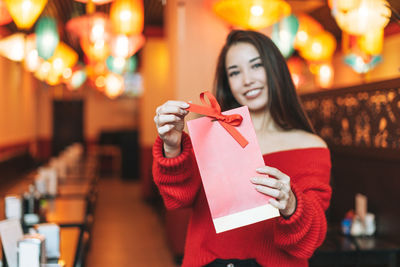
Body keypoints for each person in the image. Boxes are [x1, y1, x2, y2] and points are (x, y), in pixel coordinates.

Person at [152, 30, 331, 267]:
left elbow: (310, 240)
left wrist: (291, 204)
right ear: (227, 82)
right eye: (234, 72)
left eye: (256, 66)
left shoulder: (311, 147)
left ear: (276, 69)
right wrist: (172, 145)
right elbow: (177, 200)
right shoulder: (212, 134)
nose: (247, 80)